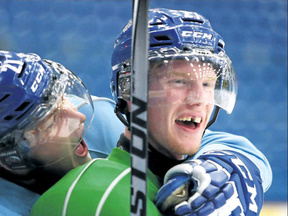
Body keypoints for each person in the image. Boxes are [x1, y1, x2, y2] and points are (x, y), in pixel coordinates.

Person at [30, 8, 272, 216]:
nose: (199, 99)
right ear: (130, 90)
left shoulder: (201, 185)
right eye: (179, 81)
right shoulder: (96, 197)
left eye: (207, 84)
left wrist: (235, 163)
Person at [0, 50, 125, 216]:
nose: (80, 117)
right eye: (52, 122)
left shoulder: (101, 121)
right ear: (13, 160)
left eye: (63, 98)